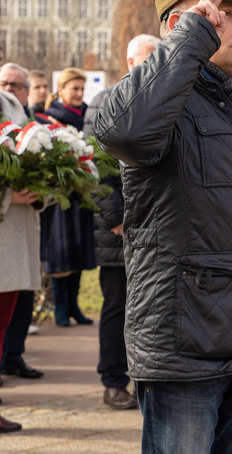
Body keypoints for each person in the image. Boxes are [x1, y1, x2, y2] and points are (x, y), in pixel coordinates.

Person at [95, 0, 232, 452]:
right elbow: (123, 130)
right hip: (187, 349)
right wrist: (189, 40)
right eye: (225, 14)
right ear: (182, 25)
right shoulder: (159, 103)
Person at [85, 34, 160, 410]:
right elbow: (94, 171)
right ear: (130, 62)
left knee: (149, 309)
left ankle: (142, 380)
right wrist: (118, 219)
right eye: (148, 59)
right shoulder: (104, 102)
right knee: (117, 307)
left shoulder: (163, 98)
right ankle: (113, 380)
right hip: (119, 231)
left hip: (154, 229)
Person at [0, 87, 44, 433]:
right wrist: (9, 196)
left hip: (10, 239)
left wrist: (41, 190)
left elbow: (33, 156)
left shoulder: (11, 106)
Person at [38, 68, 96, 328]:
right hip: (59, 196)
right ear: (60, 90)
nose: (79, 94)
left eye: (82, 89)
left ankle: (74, 305)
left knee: (78, 249)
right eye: (74, 88)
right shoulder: (48, 119)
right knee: (60, 252)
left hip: (82, 194)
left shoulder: (88, 115)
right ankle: (60, 306)